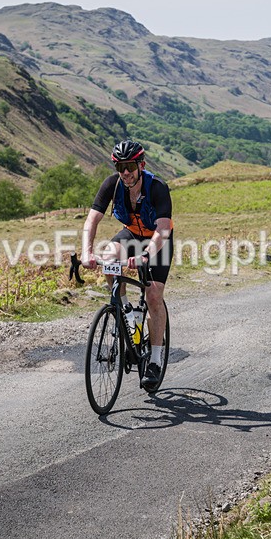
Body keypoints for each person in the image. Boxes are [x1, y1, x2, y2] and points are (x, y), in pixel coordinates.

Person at [82, 140, 173, 390]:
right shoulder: (112, 185)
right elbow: (92, 220)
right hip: (131, 234)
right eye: (120, 166)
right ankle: (125, 311)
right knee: (109, 256)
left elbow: (163, 229)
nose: (125, 172)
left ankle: (154, 360)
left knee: (153, 295)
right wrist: (86, 252)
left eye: (130, 166)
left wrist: (145, 256)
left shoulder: (158, 187)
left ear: (141, 165)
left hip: (157, 240)